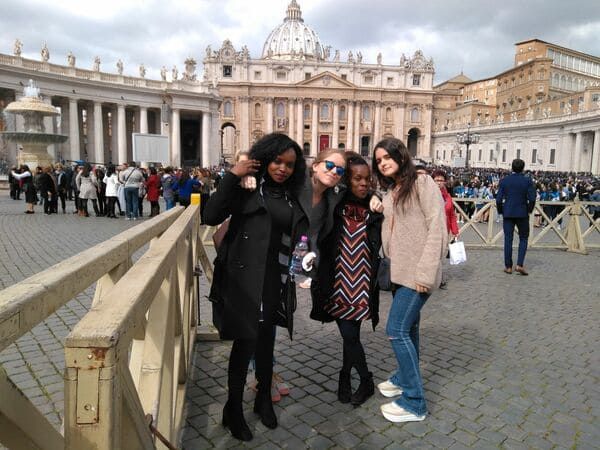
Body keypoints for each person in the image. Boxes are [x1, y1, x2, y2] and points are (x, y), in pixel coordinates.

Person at [204, 133, 308, 442]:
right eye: (277, 161)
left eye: (289, 164)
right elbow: (210, 215)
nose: (283, 169)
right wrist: (233, 176)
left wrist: (302, 263)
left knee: (266, 341)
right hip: (244, 279)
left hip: (274, 279)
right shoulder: (247, 187)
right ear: (264, 159)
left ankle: (263, 398)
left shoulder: (291, 195)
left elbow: (303, 231)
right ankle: (233, 408)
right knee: (245, 343)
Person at [372, 137, 447, 423]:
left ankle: (415, 402)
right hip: (399, 272)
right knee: (410, 328)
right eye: (379, 160)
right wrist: (375, 201)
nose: (383, 163)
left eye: (387, 157)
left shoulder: (422, 183)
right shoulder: (393, 190)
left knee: (396, 330)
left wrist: (426, 273)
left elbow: (437, 228)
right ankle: (404, 378)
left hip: (417, 273)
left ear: (401, 156)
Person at [318, 153, 383, 407]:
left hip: (363, 282)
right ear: (347, 180)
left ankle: (350, 377)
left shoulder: (375, 207)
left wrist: (376, 197)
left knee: (351, 335)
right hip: (338, 281)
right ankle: (361, 378)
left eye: (367, 179)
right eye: (357, 178)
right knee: (349, 335)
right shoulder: (334, 201)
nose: (364, 183)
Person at [496, 158, 536, 275]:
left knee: (508, 239)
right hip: (522, 213)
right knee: (523, 238)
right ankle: (519, 264)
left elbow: (498, 199)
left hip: (508, 212)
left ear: (512, 167)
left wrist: (501, 211)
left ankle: (508, 266)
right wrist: (529, 210)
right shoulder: (527, 181)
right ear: (523, 168)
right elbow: (532, 198)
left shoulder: (504, 181)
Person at [432, 169, 459, 289]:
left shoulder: (447, 196)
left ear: (445, 182)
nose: (439, 183)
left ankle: (439, 279)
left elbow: (452, 214)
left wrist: (455, 231)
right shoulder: (427, 195)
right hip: (429, 230)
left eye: (441, 180)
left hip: (444, 230)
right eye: (436, 180)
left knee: (439, 256)